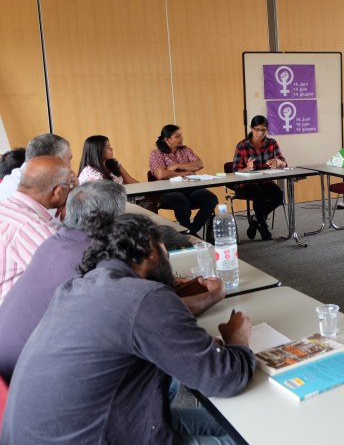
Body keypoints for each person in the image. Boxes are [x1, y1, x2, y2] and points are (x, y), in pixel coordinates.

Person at [1, 214, 254, 443]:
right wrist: (238, 340)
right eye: (166, 254)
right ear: (151, 250)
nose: (168, 265)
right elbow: (225, 379)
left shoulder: (74, 287)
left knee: (226, 425)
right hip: (96, 435)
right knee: (249, 436)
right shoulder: (144, 296)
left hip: (55, 432)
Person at [0, 156, 73, 303]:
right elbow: (71, 281)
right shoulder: (32, 228)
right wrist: (74, 211)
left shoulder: (5, 208)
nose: (71, 189)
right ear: (58, 192)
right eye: (70, 185)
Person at [149, 124, 218, 236]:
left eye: (181, 135)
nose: (182, 138)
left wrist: (176, 166)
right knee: (182, 203)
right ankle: (190, 234)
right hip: (168, 190)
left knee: (211, 199)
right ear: (167, 140)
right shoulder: (156, 153)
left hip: (189, 187)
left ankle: (190, 232)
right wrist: (184, 172)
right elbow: (160, 174)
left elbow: (199, 164)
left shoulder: (185, 150)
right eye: (177, 136)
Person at [232, 115, 287, 240]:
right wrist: (247, 169)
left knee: (278, 195)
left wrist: (279, 162)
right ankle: (263, 227)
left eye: (263, 130)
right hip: (244, 183)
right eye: (257, 129)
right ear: (251, 128)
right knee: (259, 195)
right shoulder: (242, 145)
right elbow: (235, 171)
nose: (260, 133)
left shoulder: (272, 143)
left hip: (264, 181)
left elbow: (283, 162)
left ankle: (256, 219)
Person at [0, 133, 74, 203]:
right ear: (53, 161)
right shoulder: (39, 190)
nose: (70, 166)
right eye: (69, 159)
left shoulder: (14, 177)